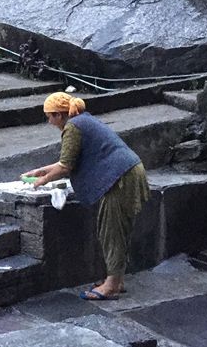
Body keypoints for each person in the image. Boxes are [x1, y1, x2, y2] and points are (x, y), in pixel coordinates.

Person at [22, 92, 150, 301]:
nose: (49, 121)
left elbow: (66, 166)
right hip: (126, 171)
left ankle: (111, 286)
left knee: (112, 231)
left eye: (49, 116)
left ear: (59, 115)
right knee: (113, 229)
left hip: (121, 177)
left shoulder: (72, 127)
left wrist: (41, 182)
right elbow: (65, 162)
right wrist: (41, 171)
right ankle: (116, 280)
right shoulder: (82, 121)